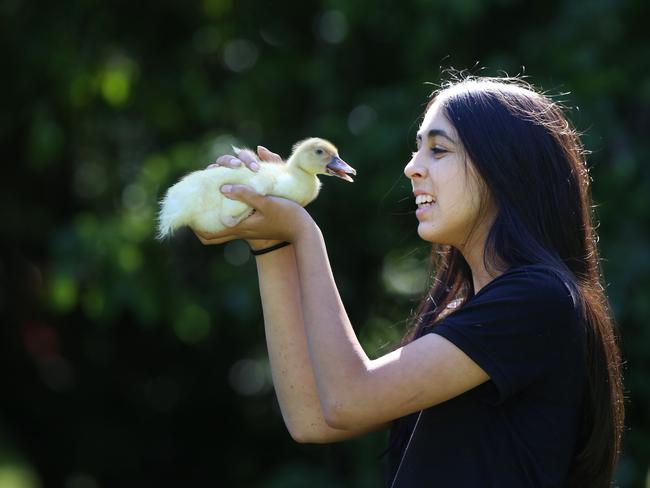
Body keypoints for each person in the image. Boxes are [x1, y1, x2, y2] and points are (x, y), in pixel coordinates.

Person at [194, 75, 625, 487]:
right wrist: (271, 243)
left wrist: (304, 233)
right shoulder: (475, 312)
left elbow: (347, 400)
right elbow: (312, 418)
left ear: (503, 169)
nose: (412, 168)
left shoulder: (538, 299)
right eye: (417, 149)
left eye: (438, 150)